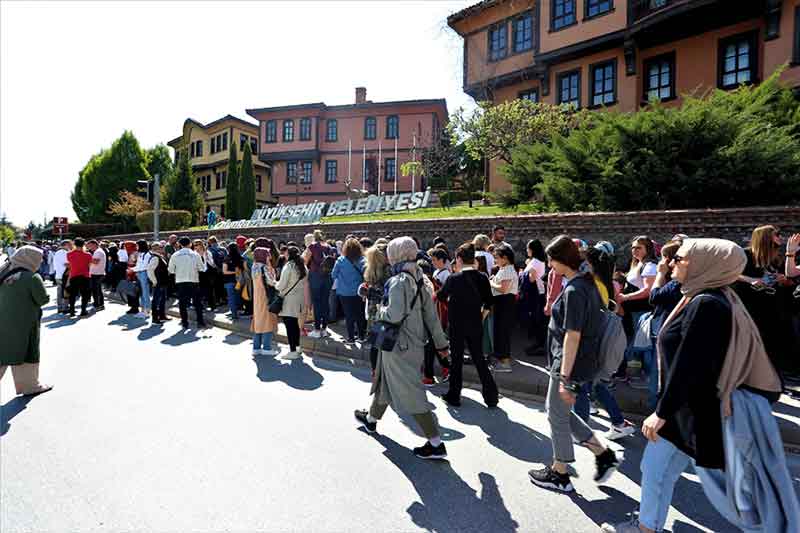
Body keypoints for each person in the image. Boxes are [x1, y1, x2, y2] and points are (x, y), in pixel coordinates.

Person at [602, 239, 786, 533]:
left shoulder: (707, 304)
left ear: (704, 265)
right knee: (664, 471)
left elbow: (690, 365)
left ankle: (647, 528)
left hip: (687, 409)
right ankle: (650, 524)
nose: (672, 263)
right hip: (692, 407)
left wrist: (661, 412)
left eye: (680, 259)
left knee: (654, 470)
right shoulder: (703, 296)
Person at [529, 235, 619, 493]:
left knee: (556, 415)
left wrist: (565, 378)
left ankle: (560, 473)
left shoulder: (575, 290)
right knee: (560, 412)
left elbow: (573, 335)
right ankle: (603, 455)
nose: (549, 265)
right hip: (578, 361)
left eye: (551, 260)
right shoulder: (585, 283)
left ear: (561, 260)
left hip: (569, 363)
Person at [353, 236, 451, 460]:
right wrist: (441, 344)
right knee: (385, 381)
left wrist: (377, 308)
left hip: (398, 345)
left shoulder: (398, 280)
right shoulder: (420, 277)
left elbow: (393, 315)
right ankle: (371, 420)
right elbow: (431, 316)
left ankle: (435, 443)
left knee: (412, 392)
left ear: (396, 255)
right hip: (413, 342)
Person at [573, 244, 636, 441]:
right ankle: (618, 423)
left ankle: (581, 429)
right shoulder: (605, 283)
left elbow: (588, 317)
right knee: (597, 385)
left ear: (590, 265)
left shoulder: (594, 285)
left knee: (582, 385)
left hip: (592, 342)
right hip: (600, 340)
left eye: (583, 262)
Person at [437, 242, 498, 408]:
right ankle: (491, 397)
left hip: (457, 324)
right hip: (475, 323)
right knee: (479, 359)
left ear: (458, 259)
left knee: (456, 360)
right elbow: (489, 303)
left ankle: (454, 395)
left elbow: (441, 296)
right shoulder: (482, 278)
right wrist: (481, 317)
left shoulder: (453, 278)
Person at [0, 246, 52, 396]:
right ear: (30, 258)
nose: (41, 260)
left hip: (3, 320)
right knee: (28, 353)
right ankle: (30, 386)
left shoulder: (4, 272)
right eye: (39, 258)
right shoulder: (32, 277)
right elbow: (42, 299)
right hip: (25, 323)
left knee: (3, 353)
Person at [359, 243, 392, 372]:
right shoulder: (388, 271)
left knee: (375, 344)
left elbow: (365, 289)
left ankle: (375, 372)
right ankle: (382, 372)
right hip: (385, 311)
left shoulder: (370, 270)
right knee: (384, 344)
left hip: (373, 312)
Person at [332, 238, 366, 344]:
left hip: (344, 293)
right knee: (360, 315)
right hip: (359, 292)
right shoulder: (362, 260)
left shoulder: (340, 260)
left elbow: (333, 275)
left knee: (349, 315)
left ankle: (351, 338)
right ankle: (361, 336)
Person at [489, 244, 518, 373]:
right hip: (503, 303)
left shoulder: (507, 270)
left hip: (505, 302)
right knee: (500, 331)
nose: (495, 260)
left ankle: (505, 362)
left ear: (505, 258)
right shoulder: (505, 268)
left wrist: (490, 282)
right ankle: (502, 359)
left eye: (497, 258)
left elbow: (503, 288)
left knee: (503, 332)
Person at [168, 236, 207, 329]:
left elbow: (171, 270)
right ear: (190, 244)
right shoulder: (195, 254)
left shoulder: (175, 255)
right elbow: (202, 269)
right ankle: (200, 321)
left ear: (180, 244)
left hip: (180, 281)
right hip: (193, 280)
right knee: (197, 302)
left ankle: (184, 322)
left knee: (182, 303)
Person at [276, 246, 307, 360]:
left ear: (288, 255)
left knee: (290, 327)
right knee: (295, 326)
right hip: (299, 299)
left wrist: (273, 282)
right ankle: (298, 348)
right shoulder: (302, 266)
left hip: (288, 300)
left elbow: (281, 285)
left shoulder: (288, 267)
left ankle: (293, 351)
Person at [251, 247, 280, 356]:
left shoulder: (254, 266)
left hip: (257, 296)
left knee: (258, 320)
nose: (270, 256)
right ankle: (267, 348)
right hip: (266, 296)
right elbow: (272, 282)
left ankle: (256, 347)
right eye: (268, 254)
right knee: (268, 319)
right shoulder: (265, 267)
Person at [306, 229, 334, 339]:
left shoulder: (312, 246)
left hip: (316, 277)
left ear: (314, 237)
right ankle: (325, 329)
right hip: (327, 277)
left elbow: (305, 260)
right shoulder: (329, 247)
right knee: (325, 303)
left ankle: (317, 329)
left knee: (317, 303)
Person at [521, 239, 547, 355]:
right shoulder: (536, 261)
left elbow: (531, 278)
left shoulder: (535, 262)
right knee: (537, 320)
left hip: (536, 294)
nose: (527, 250)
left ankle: (539, 344)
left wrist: (522, 273)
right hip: (538, 292)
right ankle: (538, 343)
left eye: (528, 248)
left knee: (537, 320)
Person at [66, 237, 92, 318]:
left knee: (72, 294)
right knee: (85, 294)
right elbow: (89, 265)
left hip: (74, 276)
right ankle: (83, 310)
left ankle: (72, 311)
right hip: (85, 276)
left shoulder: (69, 254)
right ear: (84, 244)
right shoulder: (88, 255)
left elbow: (70, 265)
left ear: (74, 244)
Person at [147, 242, 170, 324]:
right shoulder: (155, 258)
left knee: (162, 300)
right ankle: (155, 318)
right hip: (158, 282)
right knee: (156, 300)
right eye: (161, 247)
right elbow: (150, 270)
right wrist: (154, 281)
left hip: (162, 282)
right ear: (157, 248)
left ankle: (162, 316)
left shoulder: (159, 256)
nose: (163, 248)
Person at [223, 243, 244, 320]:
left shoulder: (227, 258)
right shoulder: (240, 258)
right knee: (238, 297)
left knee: (231, 298)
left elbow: (224, 271)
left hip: (229, 281)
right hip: (239, 280)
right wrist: (237, 272)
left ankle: (234, 315)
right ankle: (239, 311)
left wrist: (233, 272)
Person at [132, 240, 152, 319]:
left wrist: (132, 269)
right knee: (142, 293)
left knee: (145, 293)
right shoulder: (141, 254)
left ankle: (147, 311)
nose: (136, 247)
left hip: (144, 273)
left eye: (137, 245)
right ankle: (143, 310)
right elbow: (138, 264)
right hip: (140, 273)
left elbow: (144, 266)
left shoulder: (147, 254)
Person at [86, 239, 106, 311]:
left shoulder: (98, 252)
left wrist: (87, 258)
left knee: (96, 290)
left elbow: (96, 261)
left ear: (94, 244)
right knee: (97, 290)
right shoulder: (97, 251)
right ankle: (99, 304)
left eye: (90, 246)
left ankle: (98, 305)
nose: (89, 247)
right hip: (97, 273)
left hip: (97, 274)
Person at [53, 239, 71, 314]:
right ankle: (65, 308)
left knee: (60, 292)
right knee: (66, 291)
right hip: (64, 275)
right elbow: (66, 264)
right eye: (70, 244)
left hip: (58, 275)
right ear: (66, 244)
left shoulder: (57, 252)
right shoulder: (64, 253)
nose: (71, 246)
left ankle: (60, 307)